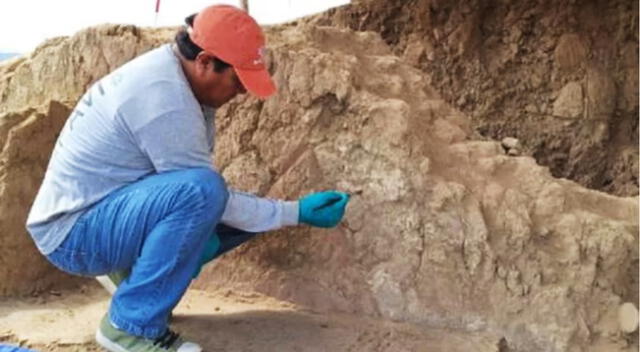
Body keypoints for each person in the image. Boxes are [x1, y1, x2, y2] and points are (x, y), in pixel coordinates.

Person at [26, 4, 349, 352]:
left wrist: (281, 213)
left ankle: (132, 282)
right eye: (237, 79)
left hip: (98, 212)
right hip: (74, 235)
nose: (241, 91)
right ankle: (128, 327)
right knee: (204, 193)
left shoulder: (178, 80)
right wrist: (295, 212)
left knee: (217, 200)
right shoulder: (165, 100)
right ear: (206, 61)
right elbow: (200, 195)